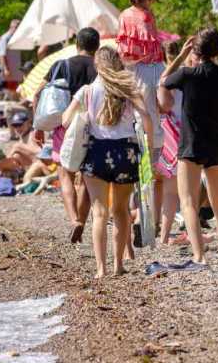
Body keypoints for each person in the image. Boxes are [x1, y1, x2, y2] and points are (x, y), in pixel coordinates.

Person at [159, 28, 218, 266]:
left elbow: (163, 82)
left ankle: (199, 255)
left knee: (189, 202)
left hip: (191, 144)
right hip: (216, 145)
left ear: (196, 50)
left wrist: (181, 56)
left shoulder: (187, 74)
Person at [62, 46, 153, 278]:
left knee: (99, 212)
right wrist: (149, 147)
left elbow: (64, 121)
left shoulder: (87, 91)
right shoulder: (129, 88)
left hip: (97, 152)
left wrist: (85, 117)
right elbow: (146, 116)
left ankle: (101, 269)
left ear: (97, 65)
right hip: (126, 152)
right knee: (121, 210)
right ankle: (118, 265)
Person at [36, 27, 99, 244]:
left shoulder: (61, 65)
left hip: (65, 124)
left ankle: (74, 220)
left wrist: (38, 126)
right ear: (97, 47)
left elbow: (39, 93)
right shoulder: (101, 67)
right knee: (87, 179)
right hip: (93, 126)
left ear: (77, 45)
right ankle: (82, 218)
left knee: (65, 175)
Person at [116, 0, 164, 165]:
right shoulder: (144, 16)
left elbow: (124, 49)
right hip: (147, 67)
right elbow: (151, 47)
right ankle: (153, 153)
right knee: (152, 111)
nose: (150, 3)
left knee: (139, 111)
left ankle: (143, 149)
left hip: (134, 68)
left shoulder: (125, 15)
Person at [154, 40, 185, 245]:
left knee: (155, 184)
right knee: (171, 191)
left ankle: (153, 228)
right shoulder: (181, 75)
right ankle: (164, 235)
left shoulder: (152, 72)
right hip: (175, 135)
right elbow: (167, 104)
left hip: (156, 132)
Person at [0, 18, 24, 96]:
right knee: (7, 94)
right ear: (11, 27)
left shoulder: (17, 39)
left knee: (15, 93)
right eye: (15, 27)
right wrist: (6, 69)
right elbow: (2, 54)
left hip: (16, 72)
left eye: (18, 27)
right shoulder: (5, 38)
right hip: (9, 73)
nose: (17, 29)